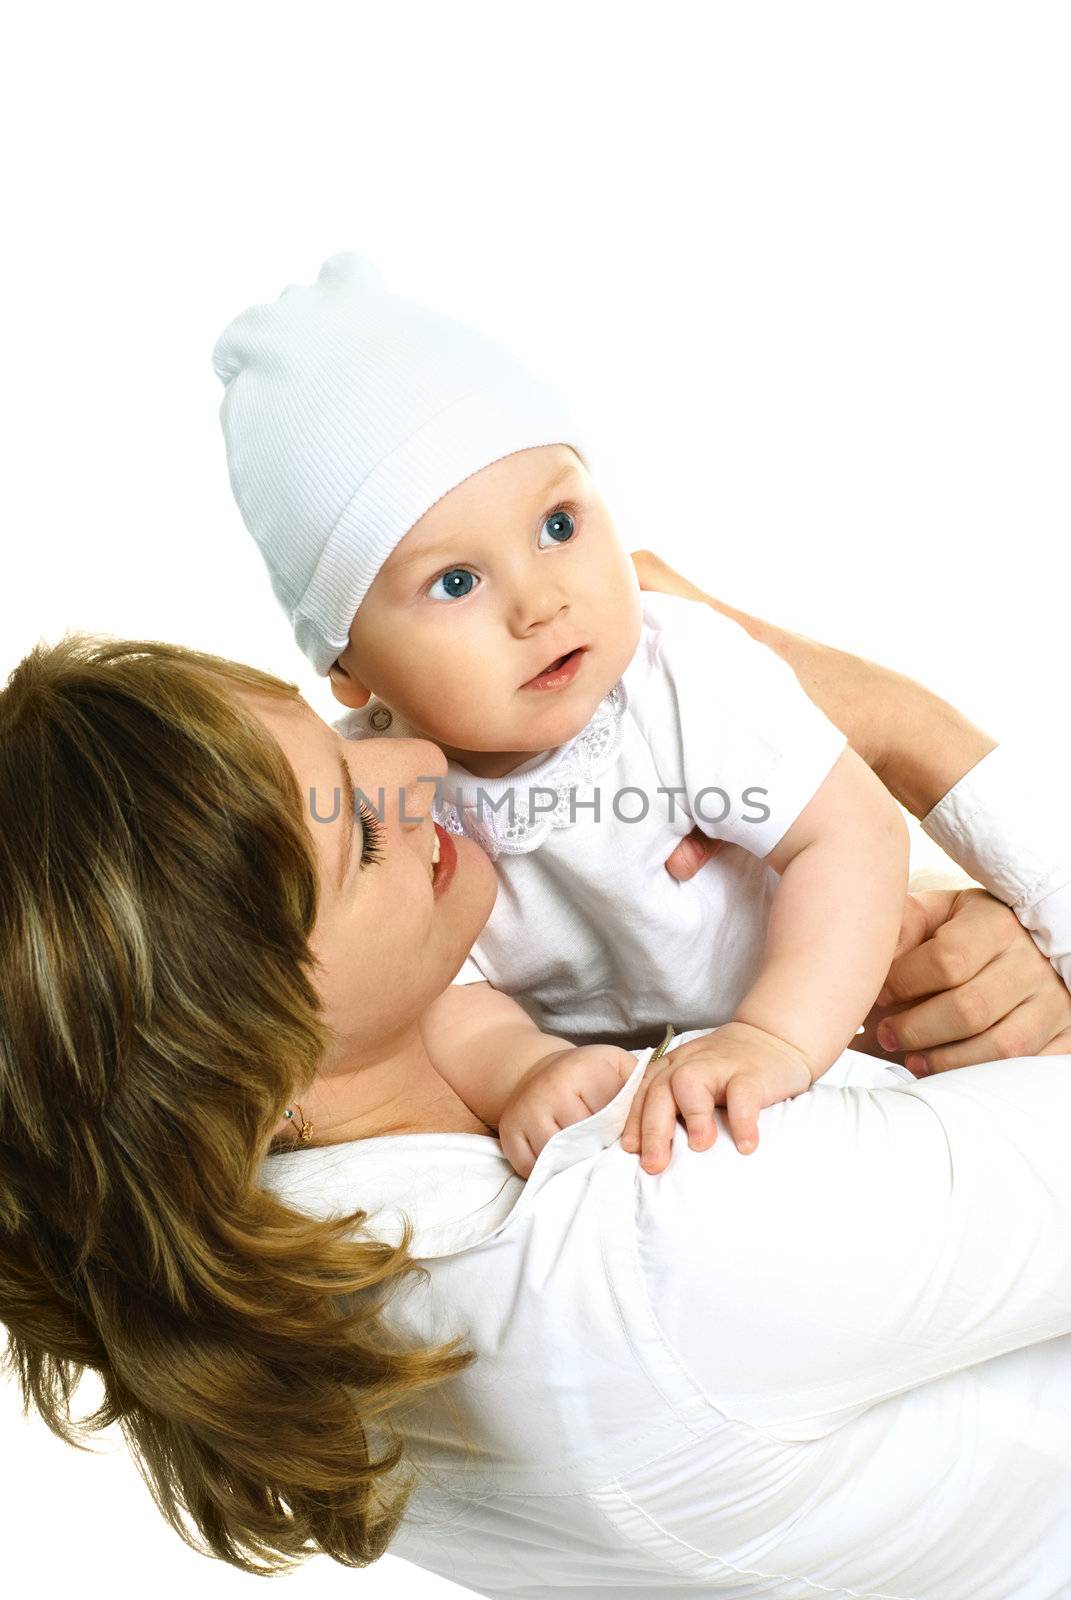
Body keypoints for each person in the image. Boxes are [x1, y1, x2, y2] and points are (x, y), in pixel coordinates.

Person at [2, 619, 1071, 1598]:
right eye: (361, 838)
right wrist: (861, 720)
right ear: (250, 1067)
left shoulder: (308, 1319)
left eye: (347, 742)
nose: (419, 764)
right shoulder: (661, 1220)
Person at [212, 251, 911, 1177]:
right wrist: (527, 1071)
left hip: (823, 1003)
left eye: (558, 525)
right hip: (634, 1083)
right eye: (455, 582)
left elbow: (850, 837)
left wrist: (775, 1036)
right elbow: (442, 994)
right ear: (349, 668)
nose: (539, 604)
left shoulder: (674, 674)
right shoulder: (376, 807)